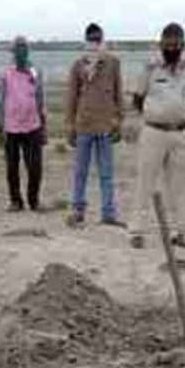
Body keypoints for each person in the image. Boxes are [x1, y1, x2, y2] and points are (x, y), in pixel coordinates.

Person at [129, 23, 185, 249]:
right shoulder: (149, 68)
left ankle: (180, 233)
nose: (172, 49)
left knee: (180, 186)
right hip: (153, 132)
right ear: (161, 44)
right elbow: (137, 99)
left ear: (182, 44)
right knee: (145, 182)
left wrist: (181, 118)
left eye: (176, 45)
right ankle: (137, 231)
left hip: (181, 134)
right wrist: (156, 115)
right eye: (167, 45)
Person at [65, 23, 124, 227]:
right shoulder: (78, 65)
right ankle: (77, 210)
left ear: (102, 40)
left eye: (98, 39)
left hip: (106, 126)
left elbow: (118, 93)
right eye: (91, 39)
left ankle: (108, 214)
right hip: (83, 126)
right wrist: (70, 125)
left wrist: (119, 121)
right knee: (80, 171)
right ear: (86, 40)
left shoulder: (112, 63)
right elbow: (71, 97)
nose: (95, 43)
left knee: (106, 172)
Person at [0, 36, 47, 211]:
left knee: (35, 167)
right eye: (18, 48)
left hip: (33, 126)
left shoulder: (36, 72)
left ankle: (34, 200)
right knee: (12, 167)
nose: (21, 51)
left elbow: (40, 100)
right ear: (13, 52)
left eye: (24, 48)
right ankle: (16, 201)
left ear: (28, 51)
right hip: (11, 127)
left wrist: (43, 126)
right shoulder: (4, 74)